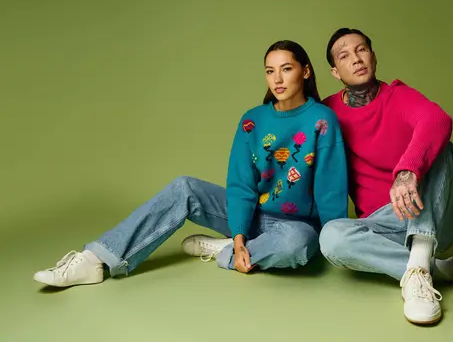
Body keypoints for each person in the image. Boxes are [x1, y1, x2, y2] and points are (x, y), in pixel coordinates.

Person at [33, 40, 349, 288]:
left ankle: (223, 252)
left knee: (297, 246)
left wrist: (331, 243)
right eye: (270, 70)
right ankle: (96, 260)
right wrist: (239, 233)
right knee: (185, 187)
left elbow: (330, 187)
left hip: (297, 227)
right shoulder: (253, 120)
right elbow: (241, 183)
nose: (277, 79)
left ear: (305, 72)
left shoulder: (322, 120)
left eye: (286, 69)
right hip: (251, 216)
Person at [318, 28, 453, 325]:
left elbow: (437, 119)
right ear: (335, 71)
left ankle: (419, 271)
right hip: (384, 228)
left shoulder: (398, 95)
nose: (356, 59)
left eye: (362, 50)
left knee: (439, 146)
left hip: (434, 216)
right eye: (345, 56)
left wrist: (407, 171)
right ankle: (441, 269)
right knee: (331, 237)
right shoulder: (328, 111)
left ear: (373, 57)